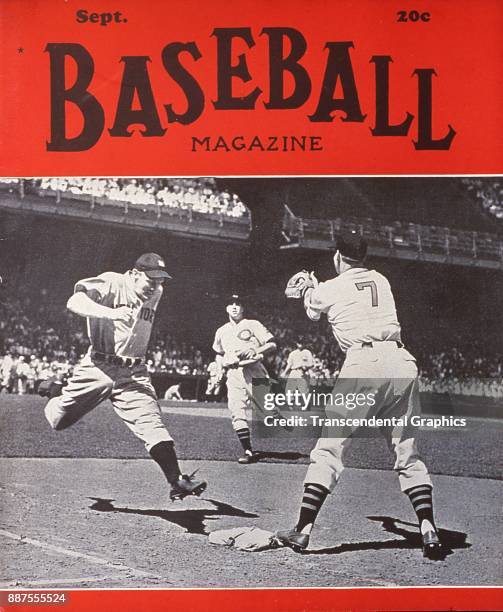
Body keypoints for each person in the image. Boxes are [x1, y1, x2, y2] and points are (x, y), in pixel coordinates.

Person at [277, 234, 443, 559]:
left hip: (363, 363)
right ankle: (428, 526)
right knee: (407, 450)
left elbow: (313, 309)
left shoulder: (330, 287)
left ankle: (302, 530)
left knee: (329, 449)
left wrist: (310, 286)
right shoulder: (381, 279)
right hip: (401, 362)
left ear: (339, 255)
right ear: (364, 256)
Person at [43, 253, 206, 501]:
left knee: (153, 426)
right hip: (98, 367)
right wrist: (109, 313)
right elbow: (74, 302)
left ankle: (176, 481)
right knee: (58, 420)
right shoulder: (112, 282)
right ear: (132, 274)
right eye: (149, 278)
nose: (154, 285)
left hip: (134, 374)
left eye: (160, 280)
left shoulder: (155, 293)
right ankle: (56, 391)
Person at [212, 295, 277, 464]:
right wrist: (219, 370)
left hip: (254, 370)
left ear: (243, 308)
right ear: (226, 308)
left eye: (238, 304)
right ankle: (248, 450)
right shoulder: (221, 330)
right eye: (230, 303)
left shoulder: (252, 324)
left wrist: (258, 351)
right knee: (236, 411)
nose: (234, 306)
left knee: (267, 412)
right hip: (233, 373)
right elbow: (219, 354)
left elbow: (272, 344)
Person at [282, 341, 314, 407]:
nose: (300, 344)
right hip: (293, 371)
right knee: (289, 389)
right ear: (296, 343)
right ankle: (290, 404)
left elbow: (312, 364)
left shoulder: (307, 352)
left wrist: (306, 366)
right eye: (299, 343)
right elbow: (289, 364)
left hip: (303, 372)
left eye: (302, 343)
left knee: (304, 390)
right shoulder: (293, 353)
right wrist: (284, 372)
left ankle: (307, 404)